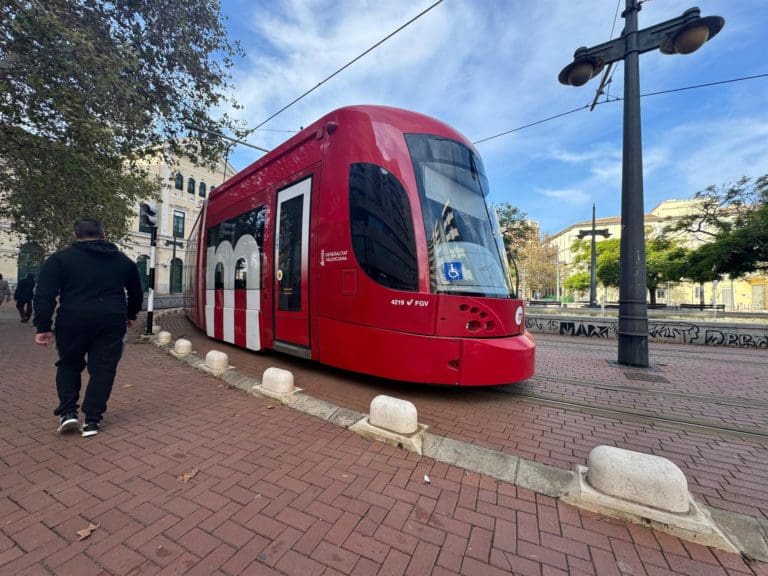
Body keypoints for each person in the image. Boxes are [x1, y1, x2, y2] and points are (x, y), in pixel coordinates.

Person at [33, 218, 143, 437]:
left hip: (72, 320)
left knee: (69, 364)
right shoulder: (124, 261)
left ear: (76, 236)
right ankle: (92, 420)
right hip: (111, 320)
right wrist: (130, 315)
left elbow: (44, 295)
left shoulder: (59, 260)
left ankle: (68, 413)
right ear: (104, 234)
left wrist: (43, 327)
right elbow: (136, 292)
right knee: (103, 369)